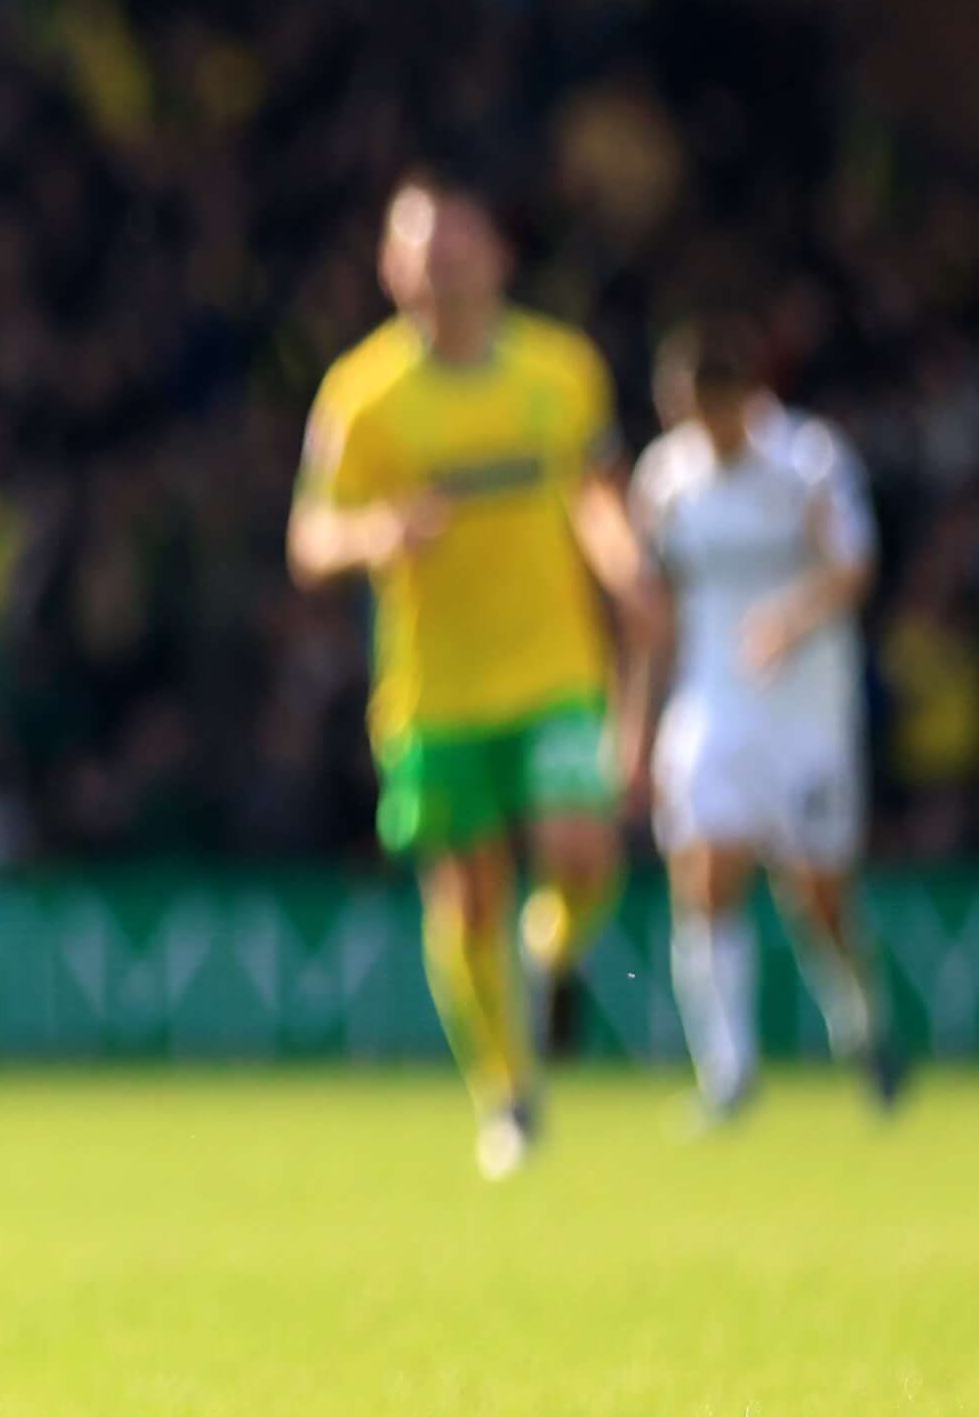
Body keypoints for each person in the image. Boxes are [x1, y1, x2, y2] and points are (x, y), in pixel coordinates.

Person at [288, 172, 662, 1179]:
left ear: (498, 257)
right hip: (434, 690)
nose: (442, 271)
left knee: (583, 851)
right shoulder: (361, 396)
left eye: (458, 250)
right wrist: (376, 532)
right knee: (467, 897)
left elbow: (593, 490)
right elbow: (308, 538)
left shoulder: (561, 369)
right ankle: (507, 1094)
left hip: (553, 669)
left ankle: (556, 951)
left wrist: (623, 563)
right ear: (390, 268)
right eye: (423, 254)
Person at [629, 318, 908, 1126]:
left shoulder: (808, 462)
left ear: (745, 398)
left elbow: (853, 568)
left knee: (816, 893)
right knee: (706, 871)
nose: (700, 429)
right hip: (711, 703)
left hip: (805, 709)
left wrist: (791, 618)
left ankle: (862, 1023)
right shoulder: (666, 478)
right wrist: (635, 721)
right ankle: (728, 1072)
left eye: (710, 411)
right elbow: (652, 613)